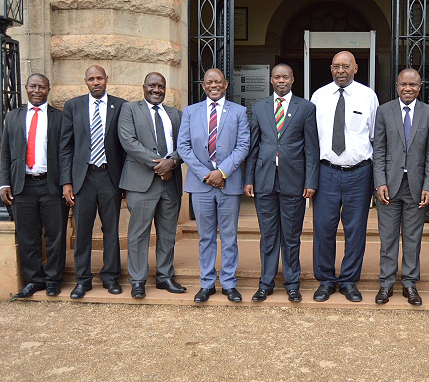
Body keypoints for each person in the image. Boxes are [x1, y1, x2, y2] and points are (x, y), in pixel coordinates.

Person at [244, 64, 319, 302]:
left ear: (293, 79)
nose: (281, 80)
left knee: (290, 235)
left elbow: (311, 148)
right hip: (264, 180)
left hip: (294, 182)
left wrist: (310, 181)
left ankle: (292, 283)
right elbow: (253, 147)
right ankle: (265, 283)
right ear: (271, 80)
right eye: (277, 77)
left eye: (285, 76)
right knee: (267, 235)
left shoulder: (306, 108)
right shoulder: (259, 107)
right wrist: (248, 179)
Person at [310, 51, 379, 302]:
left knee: (355, 229)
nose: (341, 70)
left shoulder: (368, 96)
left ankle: (349, 280)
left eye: (346, 66)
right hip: (326, 171)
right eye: (337, 66)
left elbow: (375, 137)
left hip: (359, 173)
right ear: (331, 69)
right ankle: (326, 280)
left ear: (356, 68)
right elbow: (311, 139)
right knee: (324, 229)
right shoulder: (319, 96)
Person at [177, 68, 249, 303]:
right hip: (201, 185)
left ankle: (229, 283)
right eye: (209, 82)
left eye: (218, 81)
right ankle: (206, 284)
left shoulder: (239, 112)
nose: (214, 85)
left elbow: (243, 146)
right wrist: (208, 174)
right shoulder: (190, 112)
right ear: (203, 85)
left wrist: (222, 172)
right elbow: (184, 147)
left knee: (229, 237)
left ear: (226, 84)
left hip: (229, 184)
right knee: (205, 237)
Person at [59, 65, 127, 299]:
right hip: (83, 178)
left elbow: (125, 147)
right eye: (91, 79)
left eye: (99, 78)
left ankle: (110, 277)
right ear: (85, 81)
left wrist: (125, 182)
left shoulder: (120, 106)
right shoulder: (73, 106)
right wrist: (66, 181)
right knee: (83, 232)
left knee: (111, 230)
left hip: (111, 177)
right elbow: (66, 147)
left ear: (107, 79)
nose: (96, 82)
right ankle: (83, 280)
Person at [373, 68, 429, 305]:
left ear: (420, 87)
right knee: (388, 237)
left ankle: (410, 284)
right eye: (404, 84)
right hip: (389, 186)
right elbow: (378, 151)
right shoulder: (383, 111)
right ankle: (386, 284)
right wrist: (379, 181)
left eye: (413, 85)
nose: (408, 88)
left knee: (413, 237)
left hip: (417, 186)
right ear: (397, 85)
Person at [0, 73, 68, 298]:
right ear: (26, 88)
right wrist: (4, 183)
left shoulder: (59, 117)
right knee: (28, 236)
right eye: (33, 86)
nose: (37, 91)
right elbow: (5, 154)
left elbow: (67, 153)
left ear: (49, 89)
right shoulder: (12, 117)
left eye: (42, 87)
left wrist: (67, 183)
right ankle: (33, 280)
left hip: (51, 184)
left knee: (54, 236)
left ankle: (53, 280)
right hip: (23, 185)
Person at [118, 72, 186, 299]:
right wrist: (160, 166)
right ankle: (138, 279)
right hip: (141, 182)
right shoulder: (129, 110)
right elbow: (129, 142)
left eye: (161, 86)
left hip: (170, 183)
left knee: (167, 233)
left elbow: (184, 144)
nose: (156, 90)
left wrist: (173, 162)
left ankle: (165, 276)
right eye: (152, 86)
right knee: (138, 233)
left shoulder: (175, 114)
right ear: (143, 86)